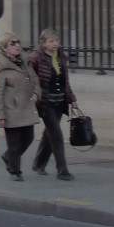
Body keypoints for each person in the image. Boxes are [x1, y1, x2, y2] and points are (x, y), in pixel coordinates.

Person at [29, 28, 77, 180]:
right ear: (43, 43)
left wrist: (72, 99)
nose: (55, 43)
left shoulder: (61, 56)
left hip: (59, 100)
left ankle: (38, 163)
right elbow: (30, 78)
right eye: (51, 41)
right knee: (56, 134)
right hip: (45, 102)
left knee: (49, 134)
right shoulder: (36, 57)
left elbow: (65, 81)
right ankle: (62, 170)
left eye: (56, 40)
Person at [0, 34, 39, 181]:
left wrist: (37, 93)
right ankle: (15, 171)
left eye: (18, 42)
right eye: (12, 43)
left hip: (26, 107)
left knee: (29, 137)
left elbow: (35, 79)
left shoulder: (25, 61)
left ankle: (8, 157)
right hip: (11, 109)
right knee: (14, 143)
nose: (17, 45)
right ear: (4, 48)